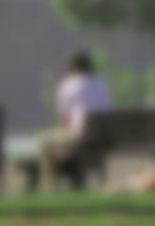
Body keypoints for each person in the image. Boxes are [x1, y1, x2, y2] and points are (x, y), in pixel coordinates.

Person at [38, 49, 112, 189]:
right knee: (72, 141)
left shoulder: (68, 86)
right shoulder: (102, 83)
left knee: (45, 141)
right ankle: (76, 176)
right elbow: (106, 108)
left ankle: (53, 181)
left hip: (79, 136)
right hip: (101, 137)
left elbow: (64, 119)